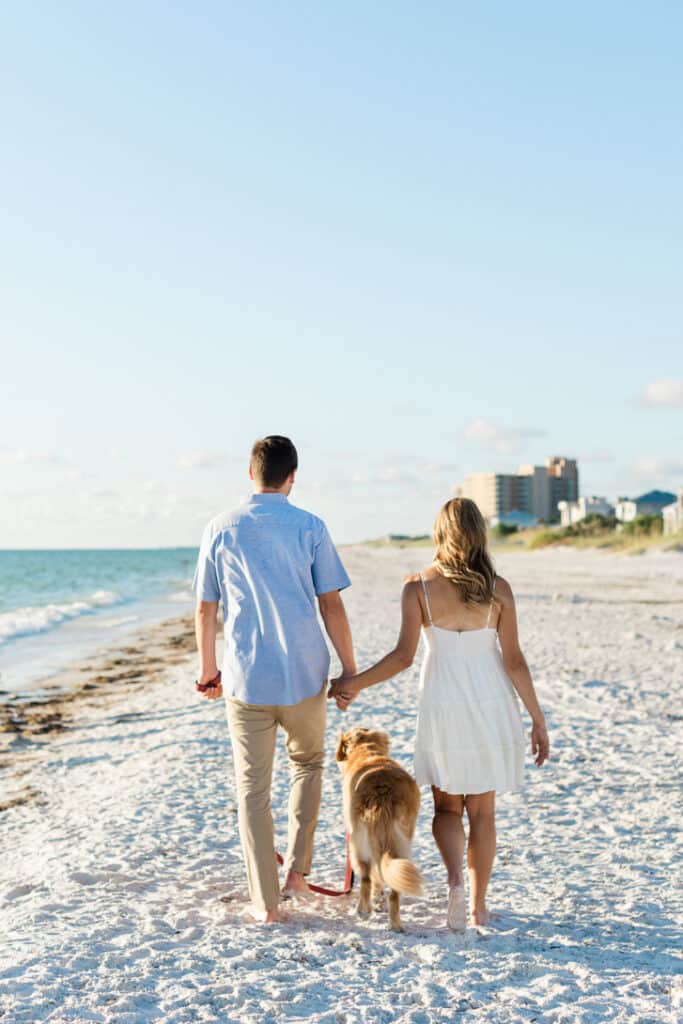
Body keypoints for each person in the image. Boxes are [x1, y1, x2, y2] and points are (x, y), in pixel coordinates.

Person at [329, 497, 549, 931]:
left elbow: (402, 657)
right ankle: (478, 906)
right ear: (478, 535)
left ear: (440, 534)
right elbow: (515, 661)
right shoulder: (498, 589)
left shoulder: (418, 587)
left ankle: (454, 884)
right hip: (489, 700)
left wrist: (354, 683)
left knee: (447, 809)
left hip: (443, 701)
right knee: (482, 811)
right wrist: (537, 719)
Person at [194, 435, 355, 924]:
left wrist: (208, 670)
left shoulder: (220, 528)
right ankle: (298, 874)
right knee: (307, 766)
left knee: (252, 790)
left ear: (251, 473)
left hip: (246, 677)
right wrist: (349, 669)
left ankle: (265, 903)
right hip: (305, 672)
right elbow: (331, 604)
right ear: (292, 477)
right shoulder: (310, 526)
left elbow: (206, 607)